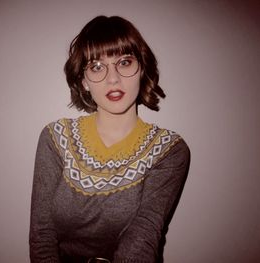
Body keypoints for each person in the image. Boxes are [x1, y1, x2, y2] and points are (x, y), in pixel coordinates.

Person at [29, 15, 190, 263]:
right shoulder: (55, 138)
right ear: (83, 81)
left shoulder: (169, 150)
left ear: (142, 69)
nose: (112, 78)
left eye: (124, 62)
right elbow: (42, 235)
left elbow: (143, 238)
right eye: (96, 67)